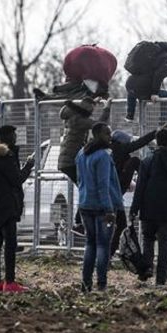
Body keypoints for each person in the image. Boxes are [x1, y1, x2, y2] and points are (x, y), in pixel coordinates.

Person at [130, 129, 167, 286]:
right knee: (165, 244)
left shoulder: (147, 161)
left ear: (156, 142)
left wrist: (134, 209)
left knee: (148, 240)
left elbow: (140, 187)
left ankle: (147, 268)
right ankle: (161, 280)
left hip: (148, 209)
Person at [0, 125, 35, 293]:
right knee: (10, 244)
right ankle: (10, 282)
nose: (15, 138)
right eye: (13, 135)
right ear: (6, 138)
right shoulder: (6, 158)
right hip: (7, 205)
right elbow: (17, 179)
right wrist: (28, 166)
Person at [76, 123, 123, 292]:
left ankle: (86, 283)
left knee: (90, 244)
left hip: (84, 203)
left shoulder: (81, 154)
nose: (110, 136)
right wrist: (109, 209)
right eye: (107, 133)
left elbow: (80, 180)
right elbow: (103, 185)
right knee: (103, 245)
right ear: (97, 135)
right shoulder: (102, 156)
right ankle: (101, 284)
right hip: (102, 206)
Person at [108, 126, 166, 257]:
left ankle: (107, 255)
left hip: (115, 193)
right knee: (119, 225)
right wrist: (154, 133)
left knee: (119, 225)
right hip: (115, 193)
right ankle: (106, 255)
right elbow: (139, 143)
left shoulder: (116, 152)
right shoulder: (120, 149)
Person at [58, 98, 111, 235]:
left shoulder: (72, 116)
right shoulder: (79, 120)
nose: (92, 112)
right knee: (87, 187)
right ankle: (79, 222)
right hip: (70, 161)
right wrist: (106, 108)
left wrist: (93, 100)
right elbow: (100, 126)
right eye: (91, 109)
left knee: (86, 187)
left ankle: (79, 222)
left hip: (67, 160)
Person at [124, 35, 167, 122]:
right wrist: (154, 93)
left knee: (133, 89)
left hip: (129, 84)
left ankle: (130, 115)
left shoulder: (157, 50)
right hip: (142, 88)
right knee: (166, 95)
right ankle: (163, 121)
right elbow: (159, 75)